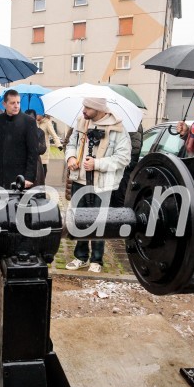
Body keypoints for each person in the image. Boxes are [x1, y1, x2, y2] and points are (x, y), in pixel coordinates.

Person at [64, 98, 131, 273]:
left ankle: (97, 259)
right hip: (79, 180)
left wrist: (97, 164)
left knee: (99, 222)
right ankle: (80, 257)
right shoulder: (81, 122)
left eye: (87, 107)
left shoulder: (117, 129)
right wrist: (71, 157)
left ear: (98, 109)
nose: (83, 110)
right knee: (79, 219)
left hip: (103, 184)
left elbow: (124, 158)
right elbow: (71, 144)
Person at [0, 90, 40, 191]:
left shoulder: (29, 122)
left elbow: (33, 151)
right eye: (12, 103)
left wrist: (29, 177)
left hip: (20, 177)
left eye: (18, 102)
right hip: (0, 177)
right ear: (4, 104)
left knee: (18, 206)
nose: (16, 106)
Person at [110, 123, 143, 208]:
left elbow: (135, 147)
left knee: (120, 197)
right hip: (119, 165)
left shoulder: (132, 124)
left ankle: (119, 218)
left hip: (125, 167)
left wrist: (124, 161)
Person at [30, 109, 63, 181]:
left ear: (42, 115)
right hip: (34, 150)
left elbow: (54, 134)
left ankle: (42, 184)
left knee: (43, 168)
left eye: (38, 114)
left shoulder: (47, 122)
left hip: (43, 149)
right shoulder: (33, 122)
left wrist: (59, 145)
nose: (36, 116)